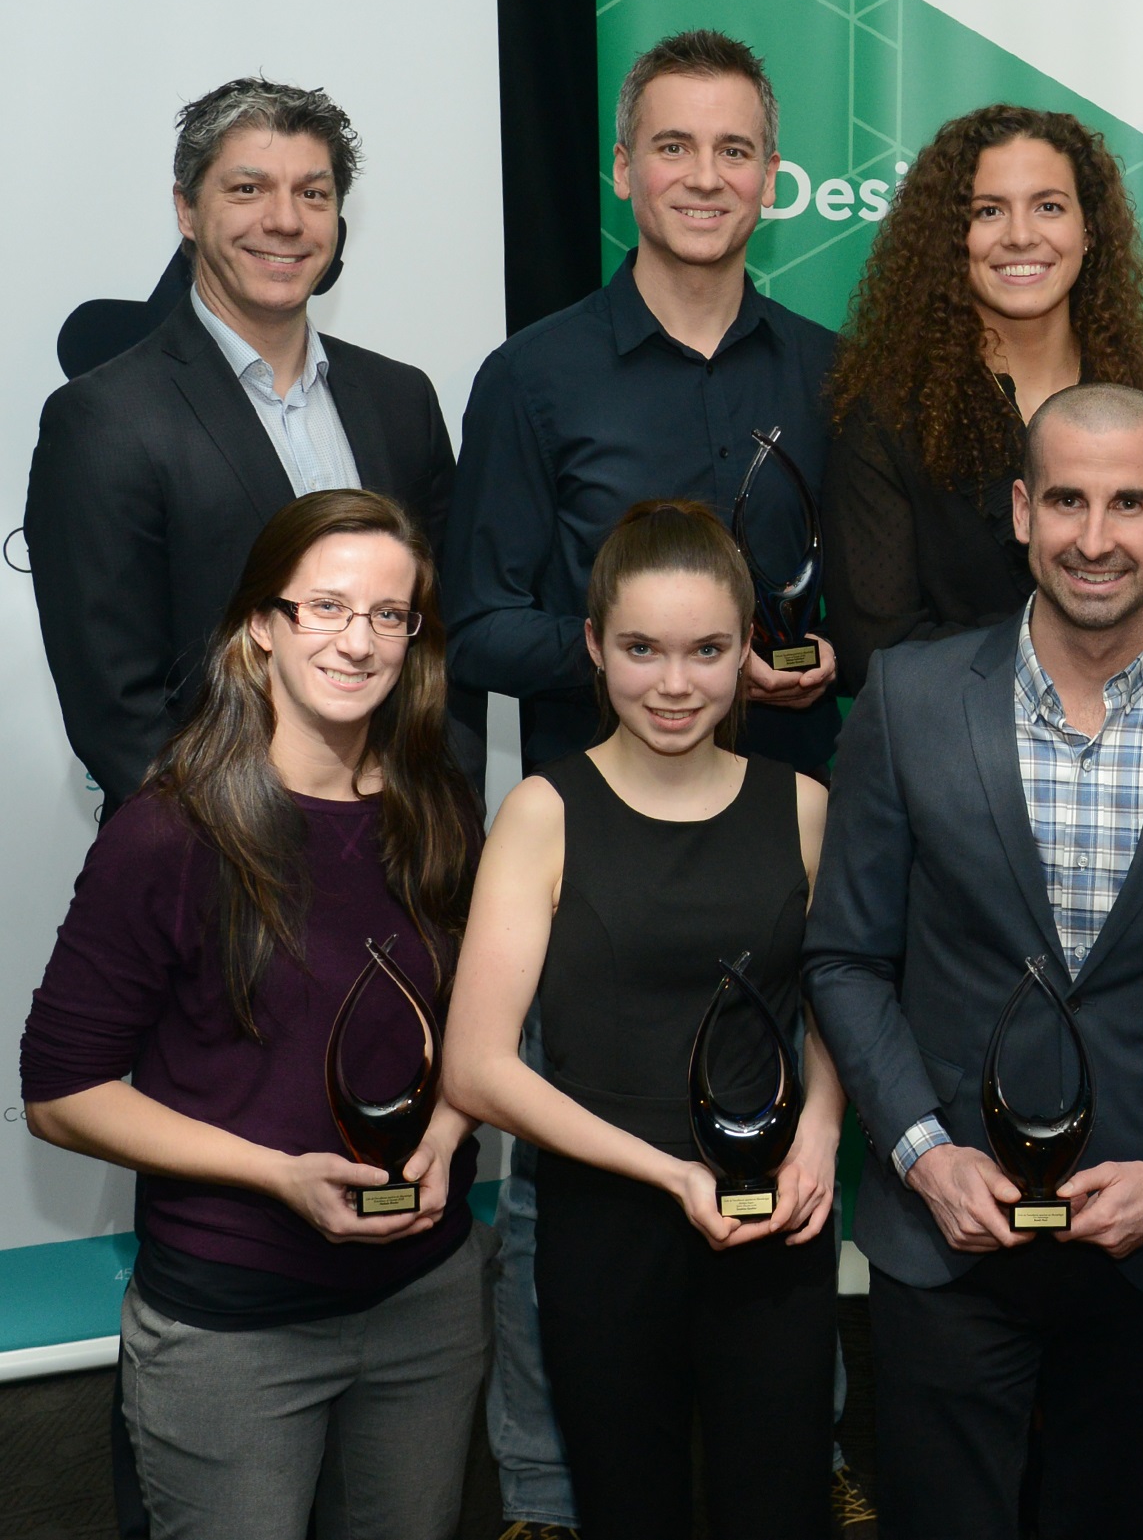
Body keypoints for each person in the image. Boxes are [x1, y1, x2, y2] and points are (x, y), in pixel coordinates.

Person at [443, 27, 844, 1538]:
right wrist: (662, 666)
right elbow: (477, 625)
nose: (703, 174)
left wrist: (795, 664)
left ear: (771, 173)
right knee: (580, 1219)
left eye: (733, 148)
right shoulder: (534, 373)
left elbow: (850, 606)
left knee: (784, 1221)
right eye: (671, 145)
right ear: (623, 167)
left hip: (769, 852)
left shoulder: (827, 370)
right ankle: (560, 1499)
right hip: (588, 870)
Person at [803, 383, 1143, 1540]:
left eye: (1131, 501)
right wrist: (926, 1157)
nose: (1098, 537)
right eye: (1070, 501)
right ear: (1023, 511)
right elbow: (844, 958)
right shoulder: (914, 698)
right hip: (947, 1235)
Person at [19, 489, 487, 1540]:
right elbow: (61, 1093)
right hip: (235, 1324)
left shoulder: (439, 808)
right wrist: (278, 1174)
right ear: (261, 627)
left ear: (416, 639)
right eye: (323, 607)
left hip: (428, 1299)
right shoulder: (169, 832)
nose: (357, 641)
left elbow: (476, 1030)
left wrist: (453, 1133)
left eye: (387, 615)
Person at [444, 500, 842, 1540]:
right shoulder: (543, 811)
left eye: (708, 649)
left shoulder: (802, 804)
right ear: (592, 645)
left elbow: (837, 997)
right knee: (629, 1510)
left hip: (773, 1223)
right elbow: (478, 1066)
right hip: (605, 1229)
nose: (674, 684)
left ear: (748, 646)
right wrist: (668, 1174)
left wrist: (825, 1129)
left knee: (782, 1508)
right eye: (641, 649)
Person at [27, 79, 457, 823]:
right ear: (187, 210)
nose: (285, 221)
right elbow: (117, 709)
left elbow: (444, 636)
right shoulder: (102, 419)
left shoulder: (401, 402)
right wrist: (258, 852)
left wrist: (436, 805)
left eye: (313, 194)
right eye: (249, 188)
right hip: (210, 871)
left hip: (398, 847)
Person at [821, 101, 1143, 688]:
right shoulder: (885, 416)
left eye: (1049, 207)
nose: (1022, 236)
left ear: (1089, 231)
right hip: (951, 759)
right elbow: (874, 651)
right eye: (988, 211)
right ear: (951, 239)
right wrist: (1081, 639)